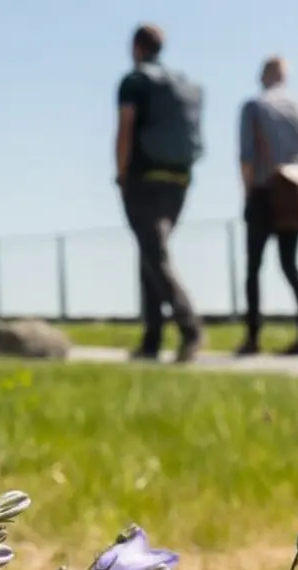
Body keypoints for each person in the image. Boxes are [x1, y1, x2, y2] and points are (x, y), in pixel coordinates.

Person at [114, 23, 205, 363]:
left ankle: (190, 327)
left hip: (144, 177)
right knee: (151, 253)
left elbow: (125, 127)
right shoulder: (179, 84)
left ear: (136, 47)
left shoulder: (134, 81)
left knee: (155, 256)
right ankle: (152, 339)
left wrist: (121, 172)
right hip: (179, 180)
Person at [236, 56, 298, 356]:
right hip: (294, 193)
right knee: (290, 265)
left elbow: (247, 157)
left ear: (264, 75)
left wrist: (247, 194)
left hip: (263, 190)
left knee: (253, 267)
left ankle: (252, 337)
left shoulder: (254, 106)